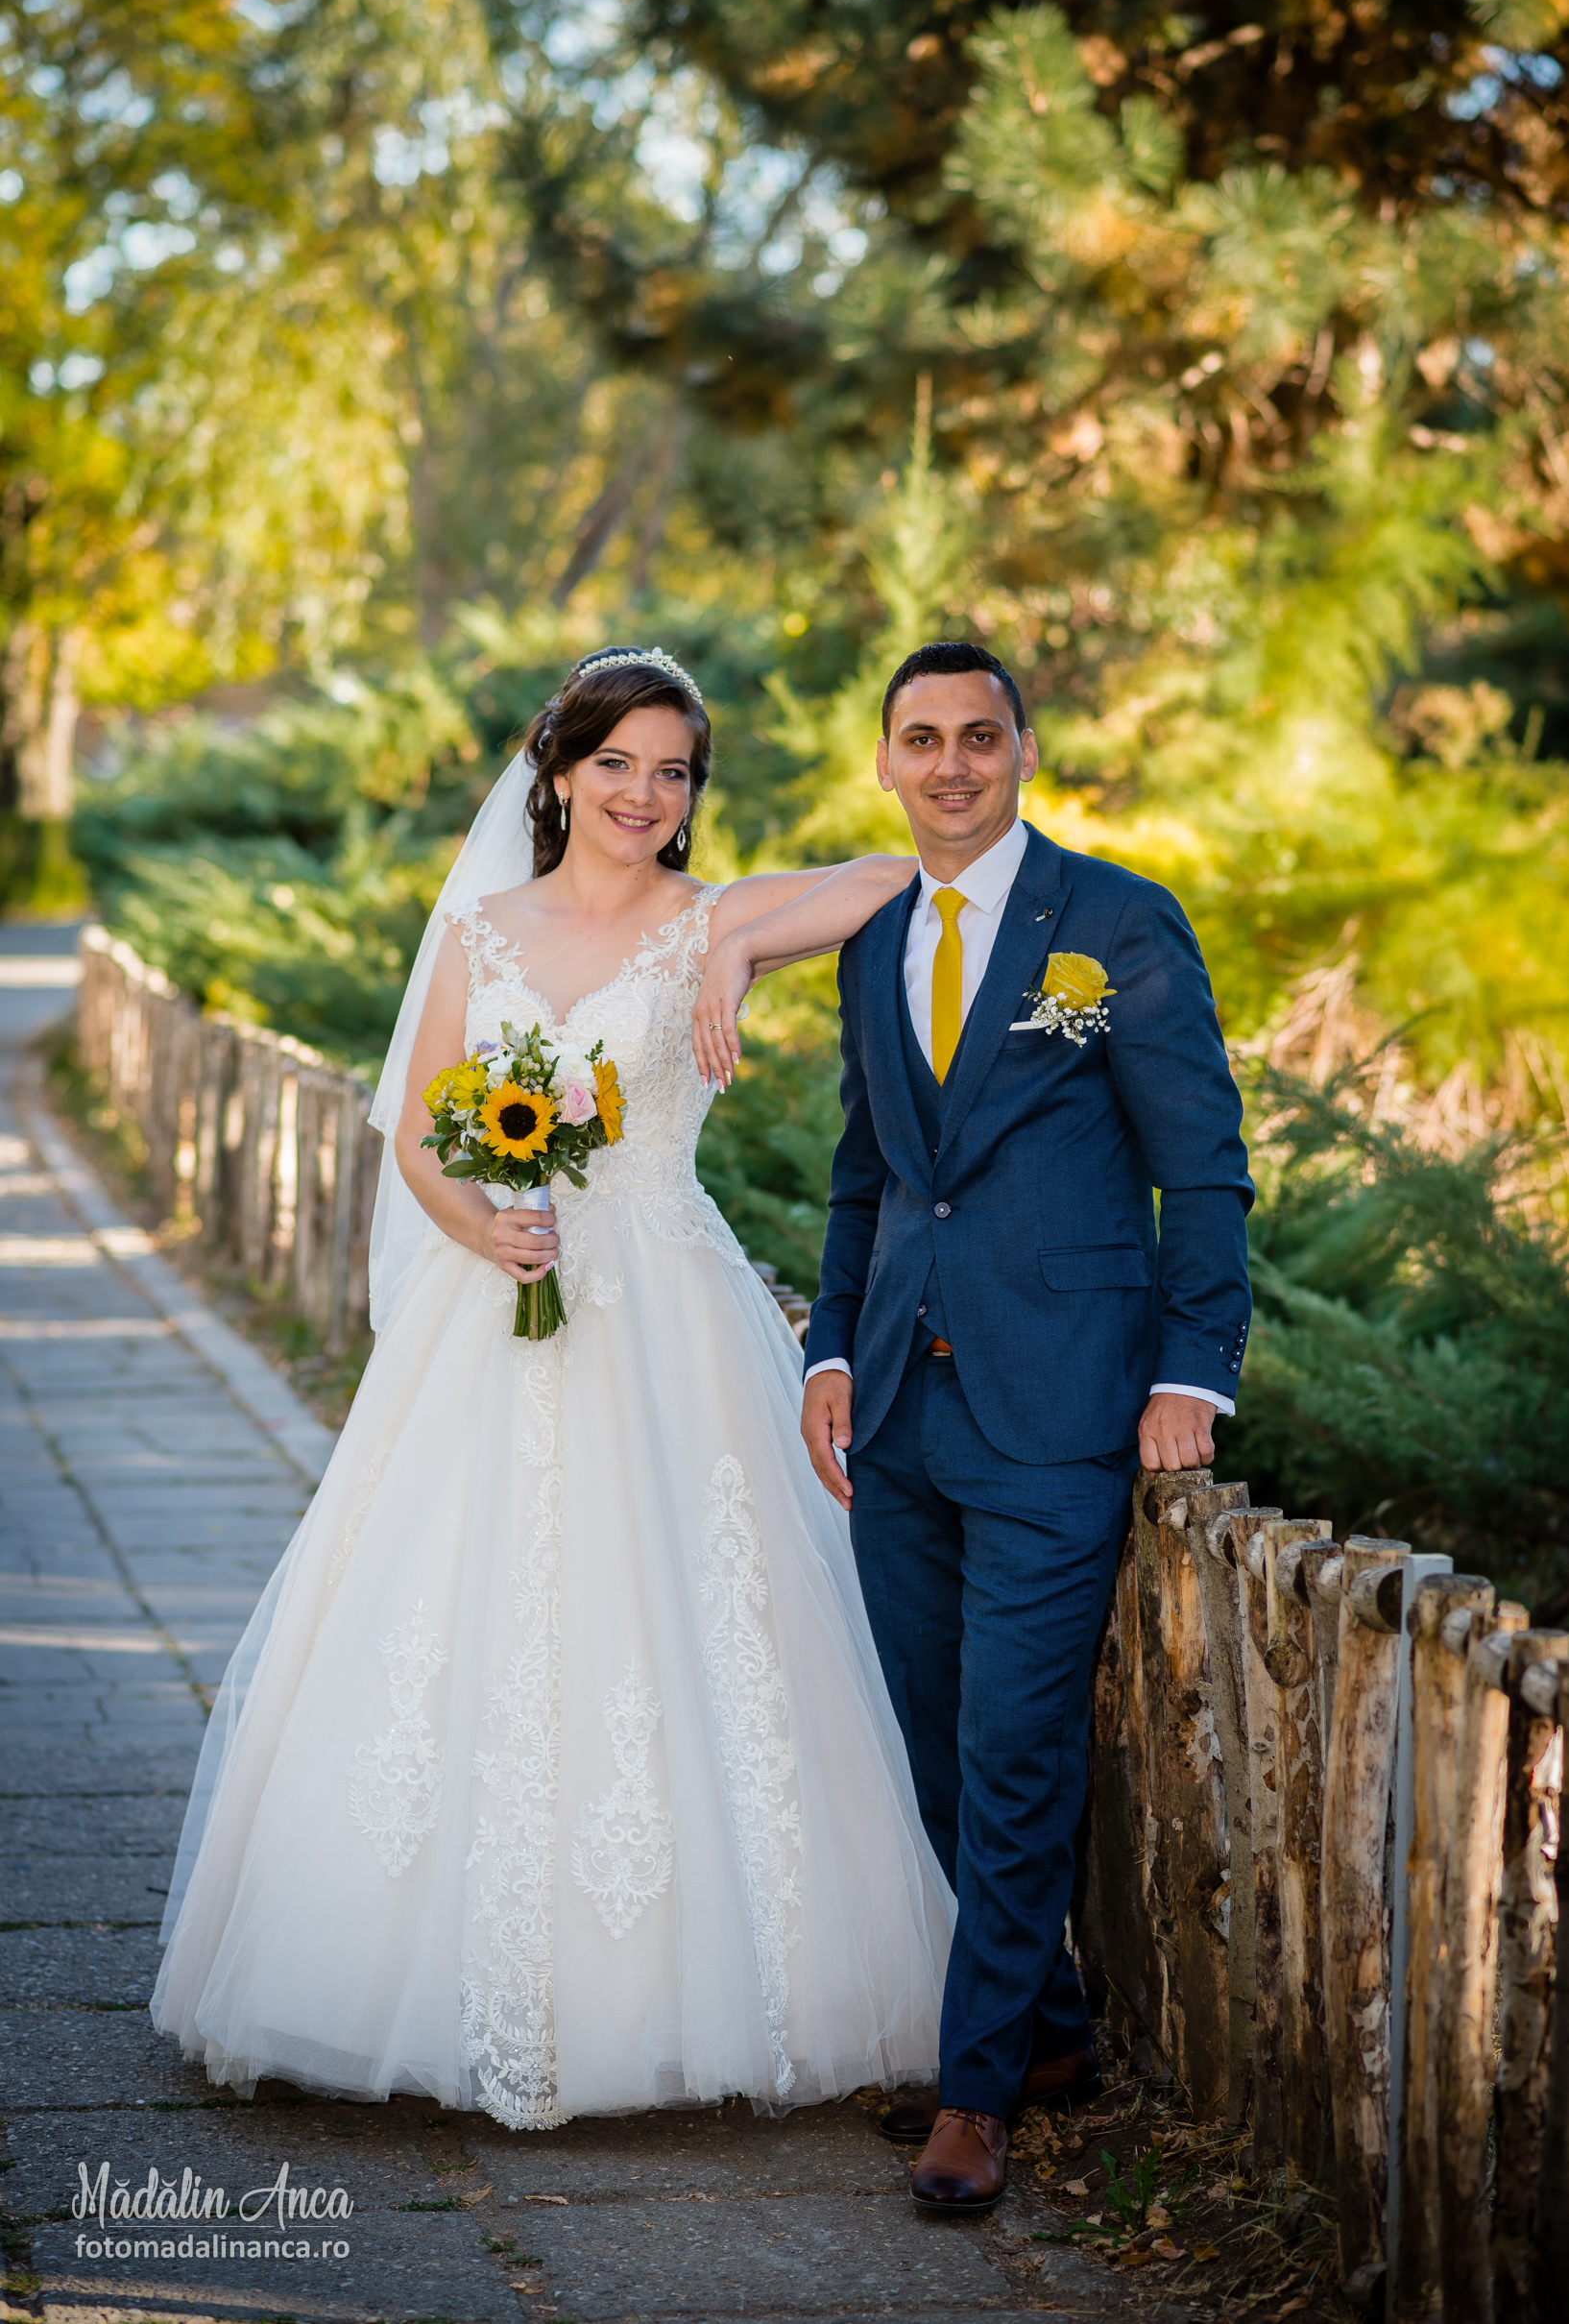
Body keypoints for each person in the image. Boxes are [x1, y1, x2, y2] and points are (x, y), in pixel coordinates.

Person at [151, 646, 956, 2130]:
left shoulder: (709, 916)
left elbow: (897, 874)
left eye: (673, 772)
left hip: (669, 1305)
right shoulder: (482, 927)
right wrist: (483, 1228)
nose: (644, 794)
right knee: (457, 1604)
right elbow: (418, 1131)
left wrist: (727, 950)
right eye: (616, 764)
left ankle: (702, 1988)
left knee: (685, 1603)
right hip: (502, 1296)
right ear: (560, 771)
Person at [694, 641, 1253, 2211]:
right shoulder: (875, 935)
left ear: (1023, 751)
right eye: (921, 738)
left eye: (979, 737)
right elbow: (869, 1176)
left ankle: (976, 2097)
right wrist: (829, 1347)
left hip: (1059, 1403)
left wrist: (1190, 1370)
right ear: (883, 760)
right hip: (898, 1412)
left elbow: (1200, 1163)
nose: (950, 764)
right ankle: (1047, 2031)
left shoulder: (1116, 922)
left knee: (1012, 1747)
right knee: (931, 1744)